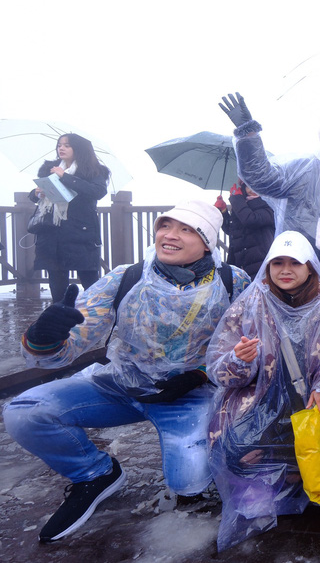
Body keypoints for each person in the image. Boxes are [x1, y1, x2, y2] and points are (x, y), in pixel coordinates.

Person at [3, 200, 250, 543]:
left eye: (185, 229)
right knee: (24, 412)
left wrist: (200, 374)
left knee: (189, 482)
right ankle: (95, 473)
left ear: (207, 240)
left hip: (188, 395)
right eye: (165, 225)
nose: (169, 235)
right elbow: (69, 346)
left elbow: (247, 347)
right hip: (119, 385)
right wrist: (44, 338)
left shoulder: (232, 281)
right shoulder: (126, 277)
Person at [206, 231, 320, 551]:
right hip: (256, 397)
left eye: (294, 263)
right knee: (236, 442)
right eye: (278, 263)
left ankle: (295, 477)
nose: (285, 269)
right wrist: (239, 361)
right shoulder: (250, 303)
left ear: (310, 267)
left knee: (308, 453)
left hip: (306, 398)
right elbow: (218, 368)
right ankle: (260, 481)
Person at [219, 92, 320, 314]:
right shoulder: (307, 168)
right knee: (301, 327)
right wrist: (248, 132)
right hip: (304, 266)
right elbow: (262, 178)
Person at [28, 133, 111, 302]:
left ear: (78, 149)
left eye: (67, 145)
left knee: (89, 278)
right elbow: (37, 196)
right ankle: (60, 317)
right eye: (59, 145)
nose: (61, 148)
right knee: (56, 280)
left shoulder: (94, 170)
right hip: (52, 232)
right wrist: (36, 193)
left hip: (80, 232)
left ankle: (96, 315)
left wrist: (64, 176)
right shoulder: (49, 168)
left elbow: (97, 192)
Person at [215, 179, 275, 279]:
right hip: (240, 262)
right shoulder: (242, 204)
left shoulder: (269, 205)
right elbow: (232, 230)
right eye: (248, 186)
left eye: (256, 186)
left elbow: (251, 220)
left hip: (260, 262)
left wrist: (236, 200)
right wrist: (224, 212)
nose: (252, 189)